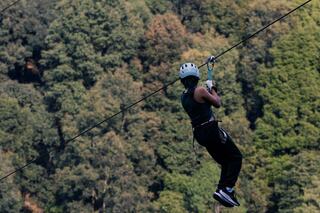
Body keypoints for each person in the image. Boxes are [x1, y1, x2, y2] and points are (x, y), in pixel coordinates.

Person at [179, 62, 243, 208]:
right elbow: (217, 103)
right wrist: (212, 87)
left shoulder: (183, 98)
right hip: (211, 130)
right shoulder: (200, 91)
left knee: (225, 161)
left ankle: (222, 189)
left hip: (201, 135)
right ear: (196, 77)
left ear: (182, 81)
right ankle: (227, 188)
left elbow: (201, 105)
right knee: (236, 157)